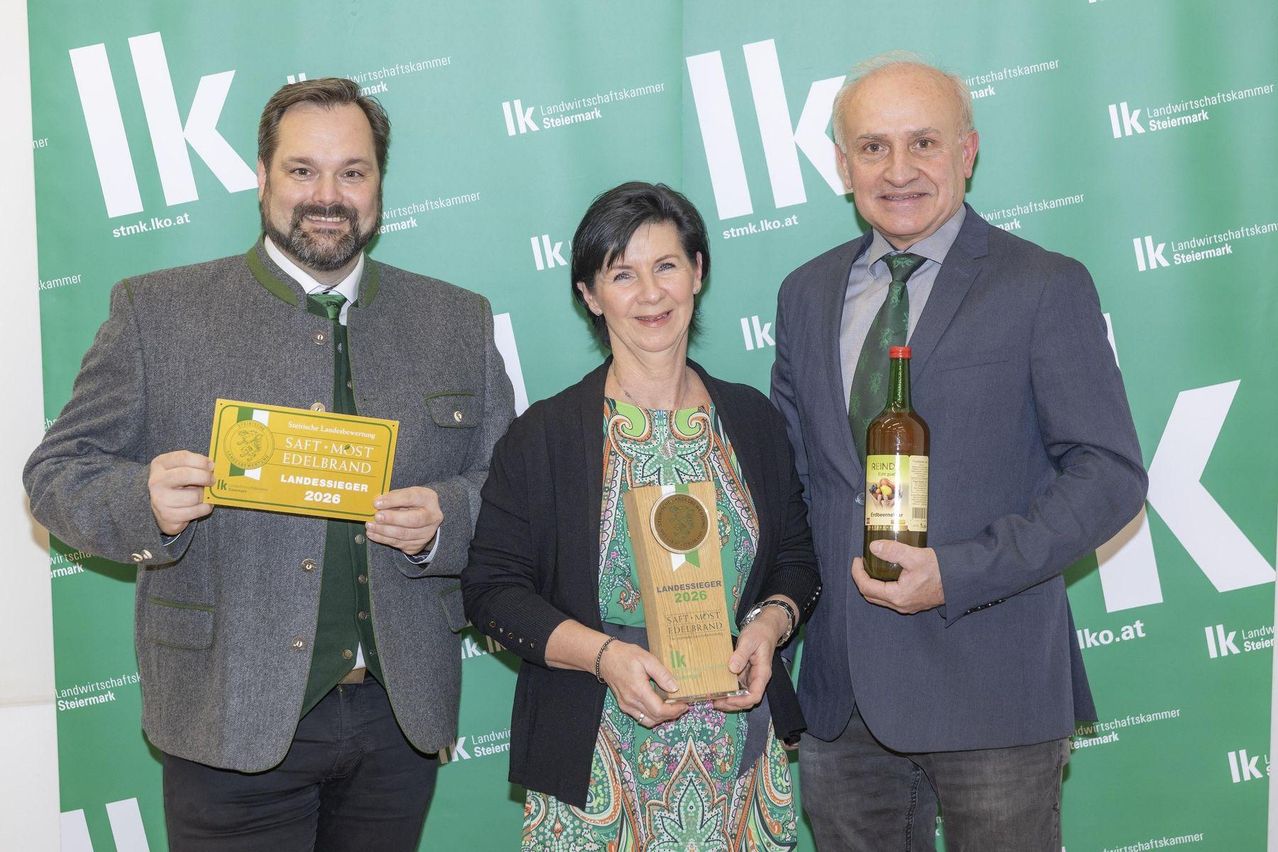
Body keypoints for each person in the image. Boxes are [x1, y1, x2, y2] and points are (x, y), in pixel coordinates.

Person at [24, 78, 514, 850]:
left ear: (381, 184)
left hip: (399, 719)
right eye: (302, 170)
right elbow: (56, 474)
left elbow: (507, 490)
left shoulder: (456, 319)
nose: (328, 195)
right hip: (225, 717)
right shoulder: (158, 312)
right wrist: (143, 500)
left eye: (352, 172)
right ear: (261, 177)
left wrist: (443, 519)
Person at [770, 55, 1147, 850]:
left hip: (994, 686)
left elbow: (1109, 474)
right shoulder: (804, 294)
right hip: (843, 702)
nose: (898, 171)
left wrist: (957, 571)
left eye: (924, 144)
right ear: (841, 166)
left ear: (968, 152)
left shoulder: (1043, 284)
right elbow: (797, 482)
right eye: (871, 148)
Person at [462, 181, 821, 850]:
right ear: (590, 296)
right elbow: (491, 593)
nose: (650, 294)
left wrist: (770, 627)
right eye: (621, 274)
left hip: (740, 767)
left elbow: (798, 560)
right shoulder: (543, 437)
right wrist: (605, 659)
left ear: (698, 273)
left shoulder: (752, 421)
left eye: (666, 267)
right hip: (595, 766)